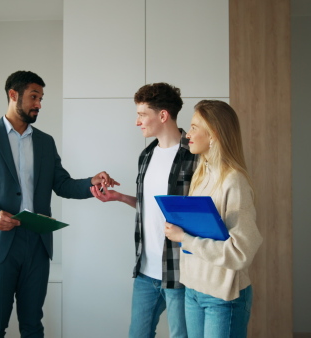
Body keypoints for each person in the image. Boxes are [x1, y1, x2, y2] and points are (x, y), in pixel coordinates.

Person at [0, 70, 118, 338]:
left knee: (33, 324)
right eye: (34, 97)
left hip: (37, 244)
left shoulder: (45, 142)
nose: (39, 104)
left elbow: (63, 184)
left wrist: (92, 183)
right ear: (13, 95)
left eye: (41, 98)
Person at [91, 83, 197, 338]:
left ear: (163, 115)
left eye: (141, 114)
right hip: (145, 270)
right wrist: (120, 197)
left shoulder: (194, 154)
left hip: (179, 271)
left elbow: (201, 212)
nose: (137, 122)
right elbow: (150, 207)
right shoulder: (147, 155)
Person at [164, 100, 263, 338]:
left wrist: (184, 239)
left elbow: (241, 252)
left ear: (214, 134)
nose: (188, 135)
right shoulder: (200, 176)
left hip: (223, 297)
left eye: (195, 127)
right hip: (194, 290)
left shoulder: (233, 182)